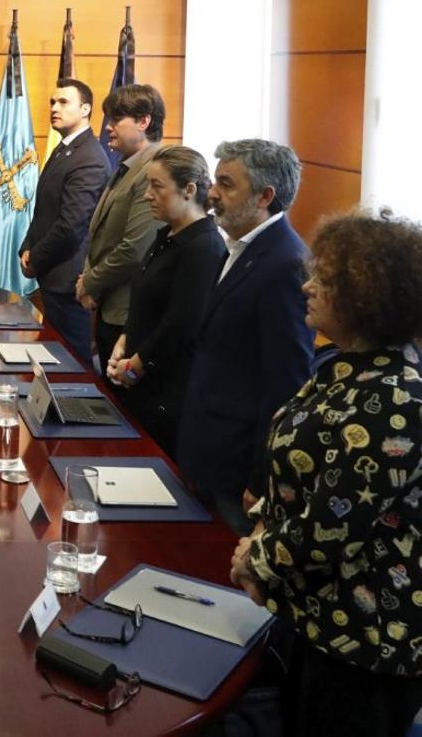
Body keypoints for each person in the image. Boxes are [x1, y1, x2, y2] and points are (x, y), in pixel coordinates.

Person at [229, 211, 422, 737]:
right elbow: (299, 467)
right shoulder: (344, 366)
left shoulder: (394, 399)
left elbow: (332, 529)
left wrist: (257, 558)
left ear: (368, 296)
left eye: (327, 280)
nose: (308, 286)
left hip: (367, 643)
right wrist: (263, 525)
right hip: (316, 619)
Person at [178, 139, 313, 533]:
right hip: (207, 450)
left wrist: (261, 477)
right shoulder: (240, 247)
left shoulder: (285, 264)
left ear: (264, 196)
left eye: (226, 183)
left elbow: (285, 385)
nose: (213, 193)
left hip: (237, 471)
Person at [104, 145, 225, 457]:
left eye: (157, 186)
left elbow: (182, 324)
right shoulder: (167, 236)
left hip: (166, 395)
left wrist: (134, 368)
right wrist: (124, 338)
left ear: (189, 190)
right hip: (138, 383)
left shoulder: (204, 246)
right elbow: (143, 296)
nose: (147, 195)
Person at [76, 83, 164, 379]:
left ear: (143, 121)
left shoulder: (154, 170)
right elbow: (101, 235)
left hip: (126, 310)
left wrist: (90, 283)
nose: (108, 127)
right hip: (108, 304)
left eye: (116, 119)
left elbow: (135, 248)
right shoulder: (127, 166)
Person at [20, 77, 109, 366]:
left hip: (67, 277)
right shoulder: (65, 149)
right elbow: (44, 210)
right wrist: (26, 246)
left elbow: (71, 226)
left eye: (63, 102)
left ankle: (72, 413)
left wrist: (37, 258)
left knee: (71, 365)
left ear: (85, 109)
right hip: (53, 272)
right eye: (52, 102)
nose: (54, 108)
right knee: (54, 360)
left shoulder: (89, 158)